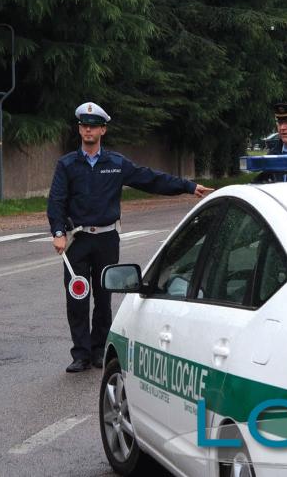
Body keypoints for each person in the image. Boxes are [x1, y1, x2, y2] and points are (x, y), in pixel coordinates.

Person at [47, 101, 214, 372]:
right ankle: (80, 353)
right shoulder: (67, 164)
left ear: (102, 130)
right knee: (77, 296)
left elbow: (151, 179)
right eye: (83, 126)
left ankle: (99, 349)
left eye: (93, 126)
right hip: (77, 241)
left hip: (106, 239)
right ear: (79, 129)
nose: (88, 131)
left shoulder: (116, 163)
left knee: (103, 296)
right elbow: (56, 201)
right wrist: (57, 233)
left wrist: (188, 186)